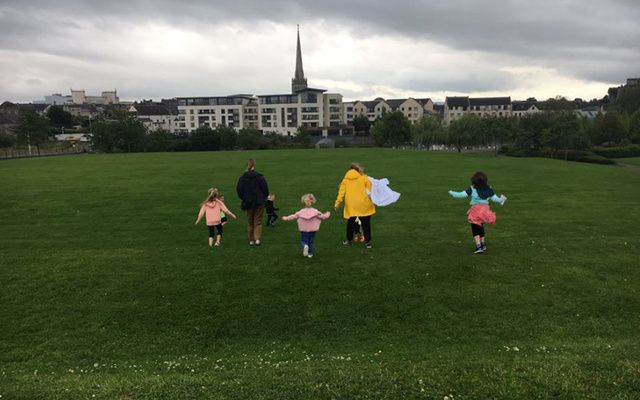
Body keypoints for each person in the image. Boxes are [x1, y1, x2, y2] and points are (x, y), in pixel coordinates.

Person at [448, 171, 507, 254]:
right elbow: (496, 199)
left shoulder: (472, 189)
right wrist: (502, 199)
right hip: (485, 212)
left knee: (475, 228)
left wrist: (452, 192)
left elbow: (461, 195)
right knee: (481, 227)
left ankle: (478, 246)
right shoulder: (489, 189)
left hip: (475, 212)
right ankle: (483, 244)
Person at [334, 162, 376, 248]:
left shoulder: (345, 180)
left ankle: (349, 240)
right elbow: (370, 191)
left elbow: (341, 193)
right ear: (358, 170)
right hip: (364, 204)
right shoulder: (364, 178)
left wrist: (337, 203)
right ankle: (368, 242)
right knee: (366, 224)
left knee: (350, 223)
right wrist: (374, 200)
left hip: (351, 205)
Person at [282, 193, 331, 258]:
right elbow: (323, 217)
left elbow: (293, 216)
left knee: (303, 240)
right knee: (311, 242)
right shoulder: (316, 212)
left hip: (304, 230)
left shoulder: (300, 212)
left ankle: (305, 246)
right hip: (313, 230)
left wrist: (286, 218)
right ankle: (310, 254)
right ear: (312, 201)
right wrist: (328, 213)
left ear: (304, 202)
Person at [236, 158, 269, 246]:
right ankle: (257, 239)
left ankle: (251, 240)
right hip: (259, 202)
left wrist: (244, 198)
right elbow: (265, 190)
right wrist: (263, 197)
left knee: (250, 222)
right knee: (258, 221)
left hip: (247, 202)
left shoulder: (242, 178)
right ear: (254, 165)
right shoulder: (259, 177)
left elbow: (239, 190)